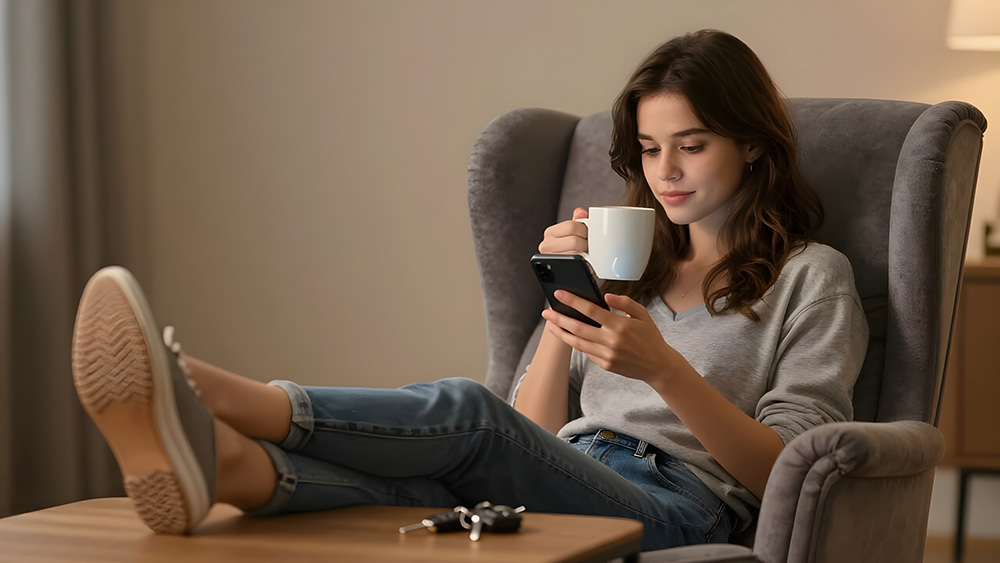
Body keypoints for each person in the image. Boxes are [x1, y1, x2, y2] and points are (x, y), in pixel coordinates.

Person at [70, 29, 868, 551]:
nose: (666, 172)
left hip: (680, 507)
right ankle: (223, 462)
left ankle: (205, 390)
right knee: (414, 486)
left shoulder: (812, 277)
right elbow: (534, 435)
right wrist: (565, 307)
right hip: (571, 469)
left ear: (752, 144)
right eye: (651, 149)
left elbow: (788, 473)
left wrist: (664, 369)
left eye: (691, 145)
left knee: (467, 409)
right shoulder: (631, 268)